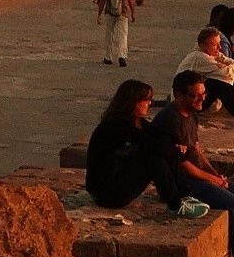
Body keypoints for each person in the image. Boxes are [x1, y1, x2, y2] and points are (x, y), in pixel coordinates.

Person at [153, 71, 234, 257]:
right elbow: (184, 165)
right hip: (183, 182)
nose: (202, 99)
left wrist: (216, 175)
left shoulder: (191, 113)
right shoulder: (170, 120)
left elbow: (196, 151)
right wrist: (212, 179)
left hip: (198, 176)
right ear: (179, 95)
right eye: (196, 95)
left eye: (203, 94)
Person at [85, 79, 208, 218]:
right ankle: (175, 205)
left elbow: (162, 136)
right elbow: (153, 146)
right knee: (152, 156)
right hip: (107, 192)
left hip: (118, 181)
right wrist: (174, 149)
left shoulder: (137, 122)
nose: (150, 103)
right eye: (146, 100)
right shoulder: (117, 126)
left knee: (162, 150)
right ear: (133, 102)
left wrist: (175, 146)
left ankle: (182, 196)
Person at [175, 28, 234, 128]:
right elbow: (228, 74)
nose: (220, 47)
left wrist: (228, 67)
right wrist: (228, 68)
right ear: (203, 46)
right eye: (215, 45)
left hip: (197, 96)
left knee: (228, 79)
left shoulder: (212, 53)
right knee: (218, 83)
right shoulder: (200, 57)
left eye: (219, 43)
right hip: (186, 100)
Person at [94, 0, 135, 67]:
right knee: (123, 35)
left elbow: (103, 0)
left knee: (109, 34)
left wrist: (99, 14)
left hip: (110, 12)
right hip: (122, 13)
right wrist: (133, 13)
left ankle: (108, 57)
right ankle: (122, 56)